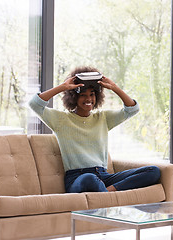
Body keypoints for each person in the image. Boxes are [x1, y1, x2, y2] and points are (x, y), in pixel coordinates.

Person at [28, 66, 161, 193]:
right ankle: (105, 195)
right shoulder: (61, 120)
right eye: (83, 95)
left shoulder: (103, 118)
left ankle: (109, 191)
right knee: (89, 178)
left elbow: (132, 109)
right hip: (78, 178)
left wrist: (114, 88)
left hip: (103, 176)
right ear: (74, 97)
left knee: (153, 171)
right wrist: (63, 87)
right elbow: (35, 104)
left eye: (92, 94)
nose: (89, 99)